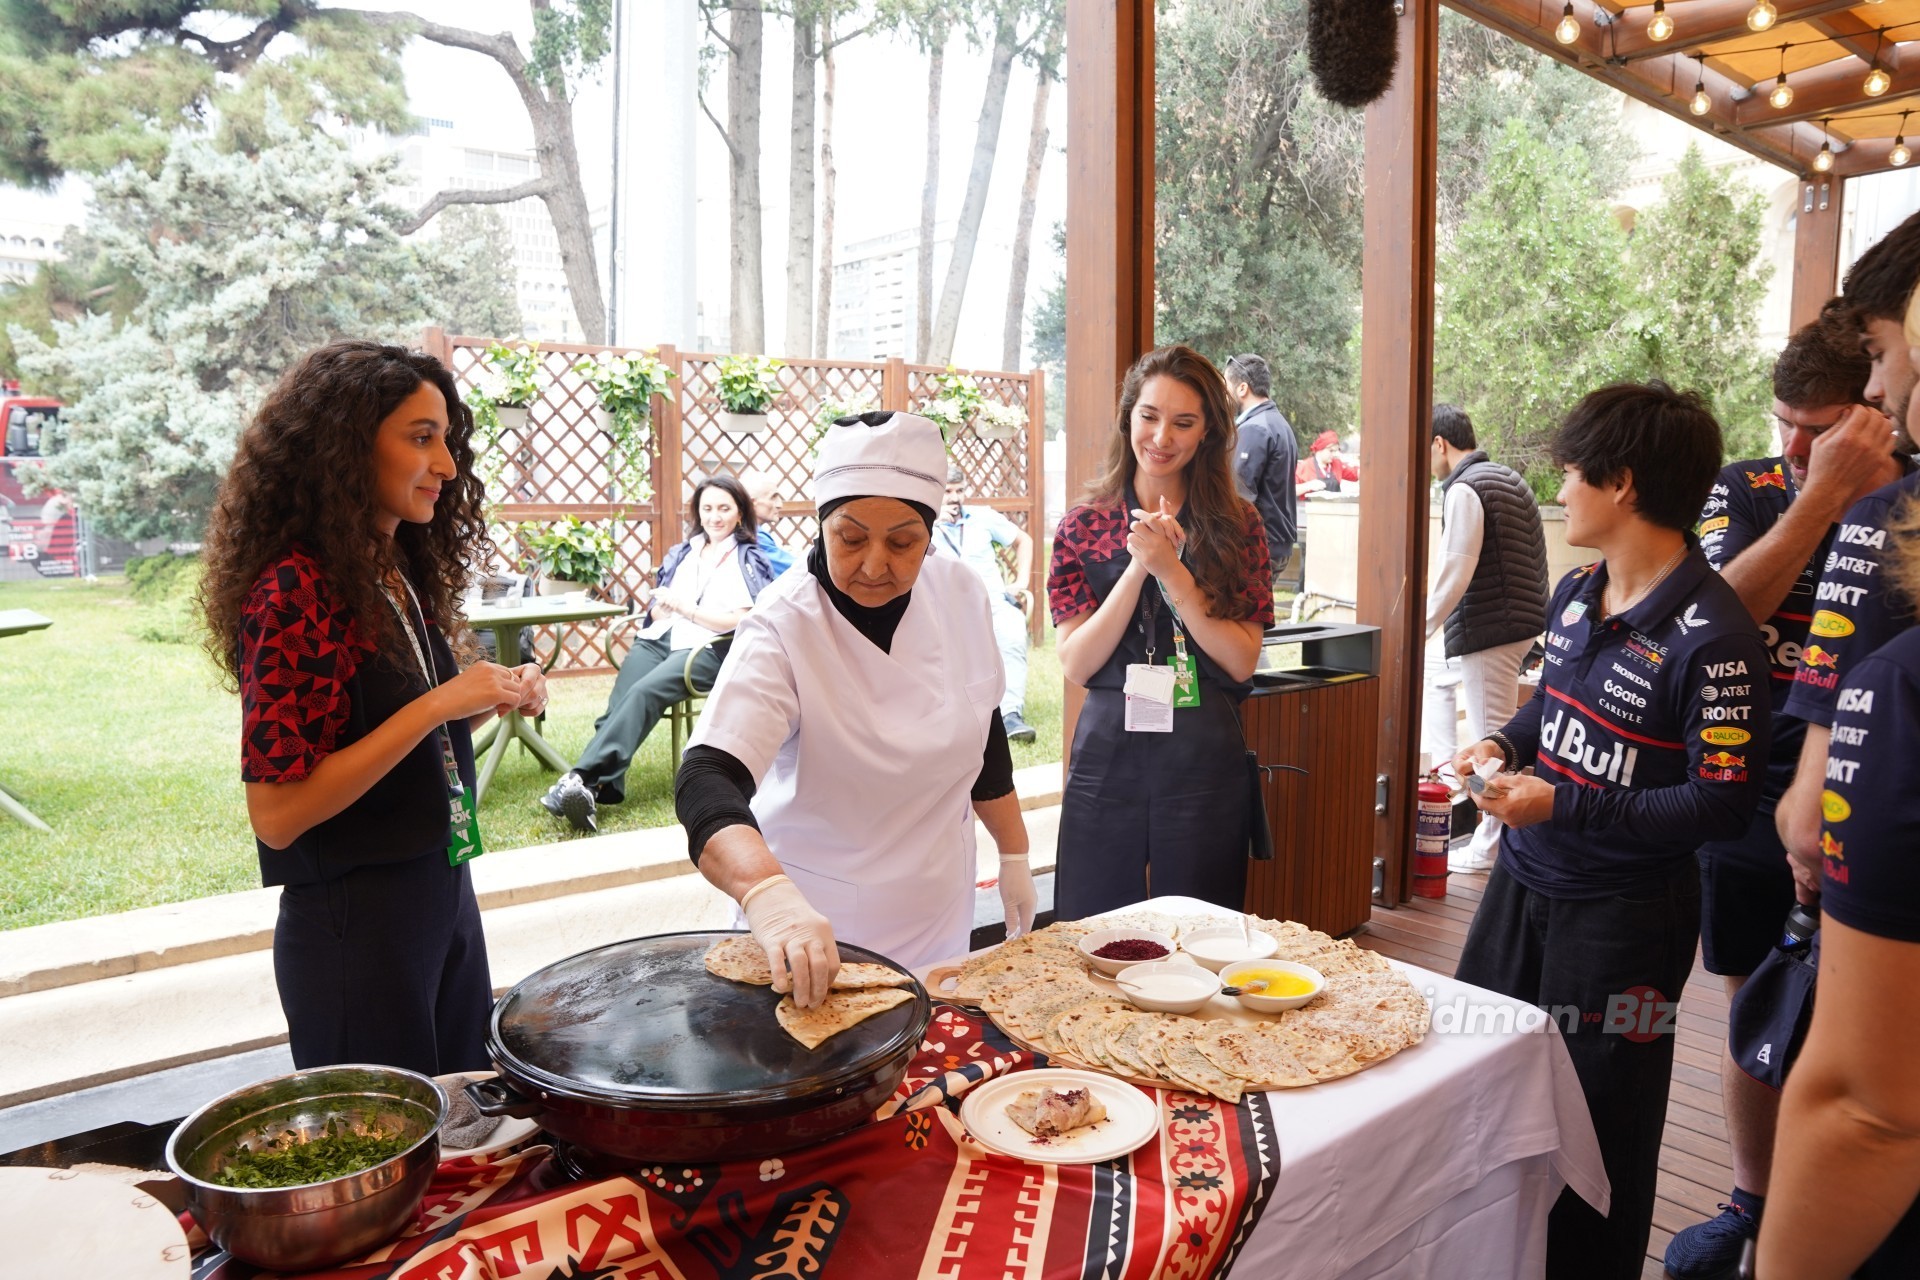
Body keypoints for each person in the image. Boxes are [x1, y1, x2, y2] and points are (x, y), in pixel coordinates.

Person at [1452, 381, 1771, 1280]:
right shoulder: (1576, 589)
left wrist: (1564, 804)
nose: (1560, 490)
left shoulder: (1718, 639)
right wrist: (1498, 741)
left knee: (1603, 1121)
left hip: (1631, 920)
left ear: (1622, 483)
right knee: (1478, 1066)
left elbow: (1722, 804)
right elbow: (1550, 710)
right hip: (1522, 887)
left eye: (1571, 473)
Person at [199, 340, 547, 1076]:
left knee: (460, 1125)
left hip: (441, 887)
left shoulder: (390, 567)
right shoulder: (295, 591)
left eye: (447, 440)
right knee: (392, 1162)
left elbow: (388, 731)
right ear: (345, 446)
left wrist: (487, 699)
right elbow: (279, 811)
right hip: (358, 926)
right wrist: (437, 705)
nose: (448, 466)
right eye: (422, 438)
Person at [1663, 305, 1907, 1279]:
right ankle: (1748, 1198)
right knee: (1753, 1001)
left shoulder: (1910, 505)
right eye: (1783, 421)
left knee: (1859, 1031)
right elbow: (1717, 618)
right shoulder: (1753, 487)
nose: (1796, 445)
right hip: (1748, 795)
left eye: (1822, 424)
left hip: (1877, 805)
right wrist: (1820, 495)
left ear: (1876, 410)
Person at [672, 412, 1034, 1002]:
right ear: (820, 527)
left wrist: (1014, 851)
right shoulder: (782, 625)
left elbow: (983, 727)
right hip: (817, 934)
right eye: (851, 537)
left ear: (930, 534)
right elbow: (708, 777)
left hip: (940, 910)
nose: (873, 564)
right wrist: (769, 897)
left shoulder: (960, 591)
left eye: (902, 542)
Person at [1757, 381, 1920, 1279]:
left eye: (1897, 364)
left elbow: (1869, 1110)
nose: (1884, 395)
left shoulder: (1897, 681)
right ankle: (1749, 1191)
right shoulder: (1745, 489)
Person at [1050, 345, 1274, 919]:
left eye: (1183, 422)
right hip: (1106, 750)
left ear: (1208, 433)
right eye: (1149, 416)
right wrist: (1138, 563)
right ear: (1129, 416)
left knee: (1202, 930)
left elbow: (1241, 659)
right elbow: (1076, 662)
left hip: (1201, 752)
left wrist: (1172, 570)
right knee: (1090, 925)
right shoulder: (1084, 523)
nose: (1161, 436)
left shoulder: (1239, 525)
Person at [1776, 209, 1920, 891]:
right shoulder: (1745, 488)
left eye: (1879, 354)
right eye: (1784, 427)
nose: (1877, 385)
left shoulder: (1891, 514)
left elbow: (1808, 825)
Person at [543, 474, 775, 832]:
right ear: (698, 512)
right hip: (662, 636)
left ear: (740, 513)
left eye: (724, 508)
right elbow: (659, 602)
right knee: (617, 706)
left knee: (642, 694)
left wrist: (687, 610)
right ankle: (600, 790)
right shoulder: (685, 551)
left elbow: (742, 620)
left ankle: (578, 779)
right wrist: (661, 609)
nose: (715, 516)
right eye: (708, 508)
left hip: (708, 648)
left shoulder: (748, 558)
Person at [1421, 403, 1549, 873]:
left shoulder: (1465, 489)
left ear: (1439, 443)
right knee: (1435, 679)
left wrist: (1421, 628)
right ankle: (1446, 774)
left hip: (1490, 628)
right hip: (1516, 623)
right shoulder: (1504, 477)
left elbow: (1456, 566)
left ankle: (1489, 845)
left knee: (1494, 741)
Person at [933, 462, 1038, 742]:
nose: (955, 498)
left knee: (1014, 631)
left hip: (992, 602)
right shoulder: (925, 526)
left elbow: (1023, 540)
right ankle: (958, 714)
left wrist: (1021, 580)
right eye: (947, 492)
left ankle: (1011, 716)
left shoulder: (982, 517)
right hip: (946, 608)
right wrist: (934, 524)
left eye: (959, 490)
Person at [1224, 354, 1299, 578]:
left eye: (1226, 385)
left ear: (1242, 388)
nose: (1224, 394)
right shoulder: (1278, 424)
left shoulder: (1254, 429)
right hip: (1276, 543)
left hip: (1258, 546)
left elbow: (1238, 496)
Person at [742, 468, 796, 575]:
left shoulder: (748, 530)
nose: (779, 504)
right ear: (753, 503)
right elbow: (797, 570)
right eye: (773, 497)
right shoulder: (754, 536)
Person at [1295, 430, 1358, 497]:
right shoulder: (1304, 466)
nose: (1334, 454)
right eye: (1331, 451)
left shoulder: (1337, 464)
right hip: (1310, 506)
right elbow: (1289, 490)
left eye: (1336, 451)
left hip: (1334, 506)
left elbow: (1357, 473)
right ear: (1320, 449)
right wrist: (1308, 486)